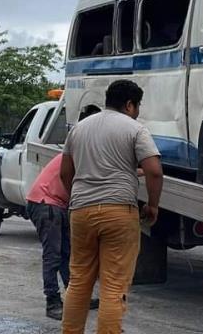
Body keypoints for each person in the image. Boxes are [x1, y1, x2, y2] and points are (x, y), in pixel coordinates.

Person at [60, 79, 163, 334]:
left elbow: (64, 173)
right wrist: (152, 206)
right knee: (114, 287)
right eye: (137, 106)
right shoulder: (135, 129)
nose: (138, 112)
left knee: (79, 282)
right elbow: (154, 171)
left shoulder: (79, 129)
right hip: (119, 211)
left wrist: (78, 198)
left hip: (81, 211)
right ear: (129, 104)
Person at [25, 152, 99, 320]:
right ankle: (52, 302)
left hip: (53, 203)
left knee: (67, 253)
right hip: (46, 203)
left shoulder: (83, 152)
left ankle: (76, 297)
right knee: (53, 255)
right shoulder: (80, 156)